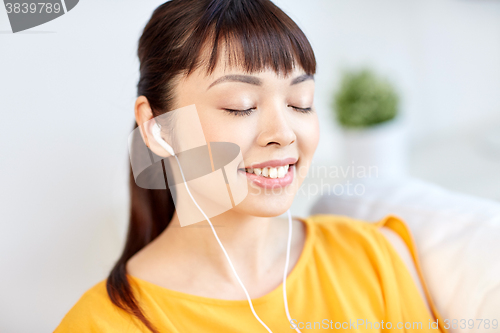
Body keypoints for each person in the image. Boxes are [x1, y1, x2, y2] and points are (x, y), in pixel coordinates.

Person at [54, 0, 449, 332]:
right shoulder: (100, 323)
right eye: (240, 105)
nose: (283, 133)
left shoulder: (373, 259)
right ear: (157, 129)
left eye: (300, 102)